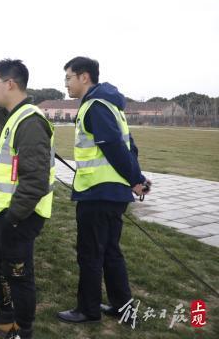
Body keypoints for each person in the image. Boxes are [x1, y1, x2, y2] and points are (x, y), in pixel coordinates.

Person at [57, 56, 152, 324]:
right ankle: (123, 307)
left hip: (98, 193)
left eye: (68, 78)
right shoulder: (110, 105)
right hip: (111, 193)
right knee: (110, 251)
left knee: (90, 253)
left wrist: (136, 178)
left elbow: (114, 147)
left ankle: (87, 309)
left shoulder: (95, 106)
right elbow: (130, 147)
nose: (66, 84)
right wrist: (137, 177)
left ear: (84, 77)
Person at [0, 59, 55, 339]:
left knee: (18, 275)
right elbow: (18, 164)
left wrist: (14, 218)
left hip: (20, 215)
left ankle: (23, 330)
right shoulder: (15, 117)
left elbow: (35, 181)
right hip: (2, 211)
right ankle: (5, 315)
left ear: (10, 84)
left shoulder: (30, 121)